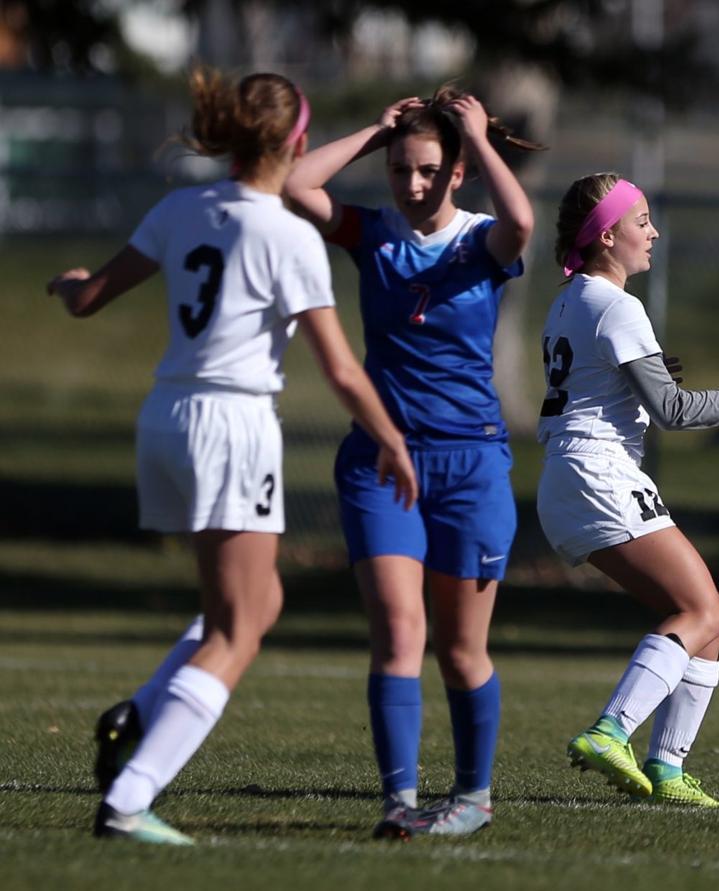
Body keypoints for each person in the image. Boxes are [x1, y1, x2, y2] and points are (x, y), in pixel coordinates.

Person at [48, 67, 418, 845]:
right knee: (237, 630)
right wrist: (390, 438)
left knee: (254, 606)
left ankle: (138, 713)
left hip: (167, 417)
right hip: (232, 422)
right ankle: (130, 795)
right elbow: (342, 369)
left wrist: (70, 283)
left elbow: (91, 297)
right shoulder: (286, 232)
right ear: (297, 141)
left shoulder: (183, 206)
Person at [282, 88, 539, 839]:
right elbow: (299, 187)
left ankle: (471, 798)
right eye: (401, 170)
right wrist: (375, 131)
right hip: (380, 463)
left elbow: (524, 222)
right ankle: (397, 801)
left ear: (457, 172)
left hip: (471, 466)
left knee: (462, 649)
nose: (413, 184)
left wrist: (479, 135)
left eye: (429, 169)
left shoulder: (484, 239)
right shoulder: (373, 234)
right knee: (399, 631)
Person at [537, 173, 719, 808]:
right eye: (640, 221)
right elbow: (676, 412)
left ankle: (667, 770)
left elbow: (605, 386)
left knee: (707, 622)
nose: (653, 232)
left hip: (568, 476)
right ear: (606, 235)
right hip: (599, 473)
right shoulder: (617, 304)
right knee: (705, 613)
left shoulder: (567, 298)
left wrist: (649, 387)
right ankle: (612, 730)